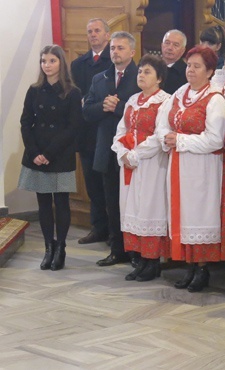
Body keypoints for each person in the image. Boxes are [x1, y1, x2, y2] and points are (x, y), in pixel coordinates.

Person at [157, 46, 225, 292]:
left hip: (204, 167)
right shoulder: (179, 93)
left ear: (210, 71)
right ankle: (189, 265)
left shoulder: (216, 98)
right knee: (184, 213)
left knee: (200, 213)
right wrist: (166, 137)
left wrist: (181, 141)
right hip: (179, 164)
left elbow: (215, 139)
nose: (190, 70)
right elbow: (162, 122)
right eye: (189, 65)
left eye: (197, 66)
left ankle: (202, 268)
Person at [19, 45, 81, 271]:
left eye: (52, 61)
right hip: (37, 153)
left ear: (61, 63)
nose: (47, 65)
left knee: (61, 202)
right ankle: (48, 247)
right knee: (43, 203)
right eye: (43, 61)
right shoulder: (34, 90)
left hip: (60, 154)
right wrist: (35, 153)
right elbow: (26, 122)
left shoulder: (72, 92)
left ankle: (61, 248)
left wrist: (49, 153)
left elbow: (73, 126)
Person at [111, 54, 170, 282]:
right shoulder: (132, 99)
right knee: (132, 208)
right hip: (130, 164)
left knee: (150, 208)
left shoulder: (165, 101)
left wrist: (136, 153)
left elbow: (160, 135)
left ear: (159, 78)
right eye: (140, 71)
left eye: (147, 72)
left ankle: (153, 261)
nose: (141, 75)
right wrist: (122, 152)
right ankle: (140, 260)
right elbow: (120, 130)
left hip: (152, 164)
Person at [83, 31, 140, 267]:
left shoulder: (142, 75)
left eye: (120, 48)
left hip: (134, 152)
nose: (115, 52)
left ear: (132, 52)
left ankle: (138, 251)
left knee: (135, 203)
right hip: (107, 150)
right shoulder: (100, 78)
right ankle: (117, 249)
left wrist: (118, 108)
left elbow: (146, 112)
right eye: (113, 48)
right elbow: (86, 112)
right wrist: (104, 107)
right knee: (112, 202)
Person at [70, 18, 112, 246]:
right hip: (86, 132)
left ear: (107, 34)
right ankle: (98, 227)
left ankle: (115, 230)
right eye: (89, 31)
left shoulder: (112, 61)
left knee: (109, 184)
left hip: (107, 128)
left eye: (97, 31)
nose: (93, 34)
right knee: (92, 184)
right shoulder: (78, 65)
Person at [161, 29, 188, 94]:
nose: (170, 48)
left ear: (183, 50)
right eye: (167, 43)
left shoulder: (186, 73)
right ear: (161, 45)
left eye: (176, 45)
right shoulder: (152, 66)